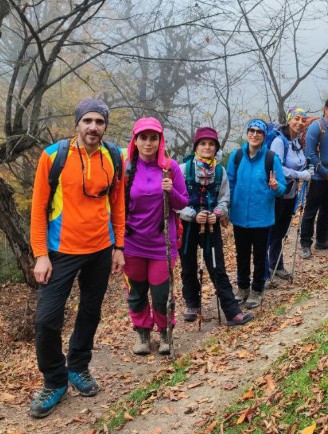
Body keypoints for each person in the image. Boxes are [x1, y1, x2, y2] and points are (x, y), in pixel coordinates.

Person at [28, 99, 125, 418]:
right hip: (61, 251)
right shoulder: (53, 156)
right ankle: (54, 380)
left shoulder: (114, 156)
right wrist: (41, 254)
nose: (93, 127)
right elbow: (38, 208)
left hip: (100, 248)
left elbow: (118, 202)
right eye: (88, 121)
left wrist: (119, 246)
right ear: (77, 124)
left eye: (99, 121)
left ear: (105, 126)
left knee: (90, 311)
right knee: (46, 319)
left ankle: (78, 367)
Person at [122, 117, 188, 356]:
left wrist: (171, 192)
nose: (148, 143)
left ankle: (164, 331)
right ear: (135, 141)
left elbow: (183, 202)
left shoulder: (170, 167)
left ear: (160, 141)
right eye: (143, 138)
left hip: (163, 244)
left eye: (153, 138)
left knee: (162, 293)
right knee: (137, 292)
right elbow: (117, 206)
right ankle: (142, 332)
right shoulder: (126, 169)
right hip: (132, 243)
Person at [177, 126, 254, 326]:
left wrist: (217, 214)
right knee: (188, 266)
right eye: (203, 143)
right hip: (187, 227)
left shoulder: (219, 171)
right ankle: (191, 304)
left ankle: (231, 311)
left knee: (217, 267)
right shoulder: (183, 170)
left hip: (211, 226)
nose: (207, 147)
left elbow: (224, 198)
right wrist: (193, 216)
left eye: (211, 144)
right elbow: (176, 201)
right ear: (196, 146)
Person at [227, 120, 287, 309]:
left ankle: (257, 290)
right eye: (251, 131)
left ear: (263, 136)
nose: (255, 134)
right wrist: (227, 208)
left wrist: (276, 187)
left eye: (259, 132)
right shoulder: (236, 157)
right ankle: (242, 288)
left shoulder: (271, 158)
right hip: (239, 217)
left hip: (262, 218)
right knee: (242, 255)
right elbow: (229, 184)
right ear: (247, 134)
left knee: (260, 256)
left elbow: (283, 188)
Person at [267, 108, 313, 279]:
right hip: (277, 193)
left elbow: (298, 164)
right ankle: (264, 271)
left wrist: (307, 169)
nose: (300, 123)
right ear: (288, 120)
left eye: (303, 120)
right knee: (271, 231)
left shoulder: (296, 142)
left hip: (290, 194)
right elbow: (276, 168)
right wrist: (301, 174)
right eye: (296, 119)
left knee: (281, 231)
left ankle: (276, 265)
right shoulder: (279, 142)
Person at [299, 97, 328, 258]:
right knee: (311, 211)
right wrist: (326, 173)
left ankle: (322, 239)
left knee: (327, 209)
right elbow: (310, 154)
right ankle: (305, 243)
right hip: (318, 176)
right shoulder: (316, 127)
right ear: (325, 109)